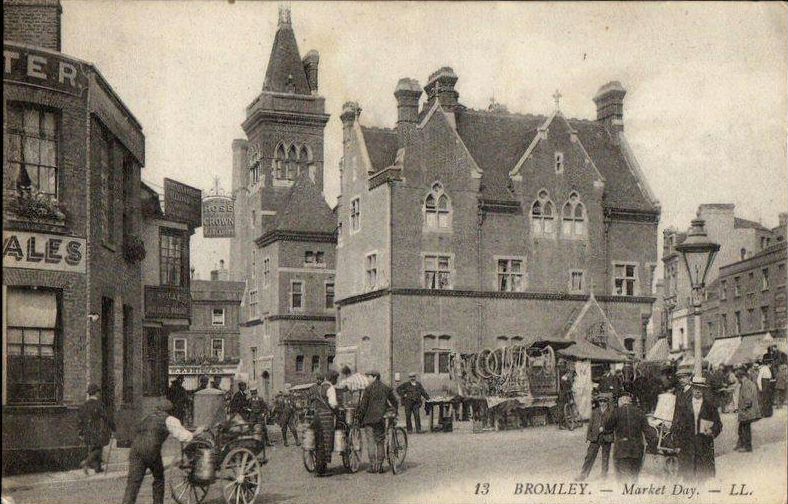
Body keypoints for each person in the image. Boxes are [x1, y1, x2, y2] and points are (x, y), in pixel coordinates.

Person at [121, 398, 205, 504]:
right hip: (151, 451)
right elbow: (184, 437)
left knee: (133, 483)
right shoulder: (169, 419)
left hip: (135, 450)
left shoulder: (147, 417)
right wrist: (197, 432)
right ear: (170, 411)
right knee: (159, 479)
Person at [672, 376, 722, 482]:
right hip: (687, 444)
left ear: (704, 390)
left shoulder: (710, 406)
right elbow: (676, 425)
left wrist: (712, 431)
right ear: (692, 388)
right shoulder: (683, 405)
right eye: (695, 388)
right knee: (688, 477)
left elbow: (718, 424)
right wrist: (676, 444)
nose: (697, 391)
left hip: (703, 444)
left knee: (702, 477)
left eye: (700, 388)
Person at [604, 392, 655, 481]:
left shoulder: (616, 412)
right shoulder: (640, 412)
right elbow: (648, 431)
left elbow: (607, 428)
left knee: (622, 479)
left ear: (621, 400)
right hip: (637, 450)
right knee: (634, 477)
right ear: (629, 401)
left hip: (621, 450)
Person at [356, 370, 399, 474]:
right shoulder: (386, 388)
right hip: (380, 419)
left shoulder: (368, 389)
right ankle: (379, 466)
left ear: (375, 377)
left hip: (368, 420)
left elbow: (363, 406)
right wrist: (395, 411)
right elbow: (394, 401)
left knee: (370, 442)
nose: (368, 379)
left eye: (369, 377)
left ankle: (372, 466)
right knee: (380, 442)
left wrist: (359, 419)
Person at [78, 384, 115, 475]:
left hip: (86, 430)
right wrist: (113, 427)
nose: (99, 394)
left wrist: (81, 432)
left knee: (94, 447)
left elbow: (80, 419)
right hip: (96, 430)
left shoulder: (84, 405)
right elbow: (105, 417)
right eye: (98, 392)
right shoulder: (99, 404)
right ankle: (86, 462)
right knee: (98, 448)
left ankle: (97, 467)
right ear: (96, 393)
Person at [576, 392, 614, 481]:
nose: (602, 403)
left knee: (605, 457)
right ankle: (583, 474)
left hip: (606, 437)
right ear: (598, 402)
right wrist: (588, 436)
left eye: (604, 401)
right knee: (589, 456)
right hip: (595, 437)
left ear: (607, 402)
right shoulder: (595, 412)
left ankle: (604, 475)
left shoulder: (611, 412)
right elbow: (590, 425)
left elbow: (613, 426)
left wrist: (605, 429)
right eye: (600, 401)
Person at [311, 370, 339, 477]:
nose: (336, 381)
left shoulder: (318, 387)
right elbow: (333, 404)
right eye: (336, 379)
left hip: (317, 416)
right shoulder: (330, 388)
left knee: (319, 443)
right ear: (333, 378)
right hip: (326, 417)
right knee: (327, 442)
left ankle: (319, 467)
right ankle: (323, 470)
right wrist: (337, 410)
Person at [735, 367, 761, 452]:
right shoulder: (750, 383)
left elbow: (748, 399)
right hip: (750, 411)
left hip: (746, 412)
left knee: (745, 430)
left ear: (740, 377)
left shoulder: (745, 385)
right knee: (742, 428)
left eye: (737, 378)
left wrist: (741, 408)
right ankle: (741, 444)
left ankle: (747, 447)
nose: (737, 380)